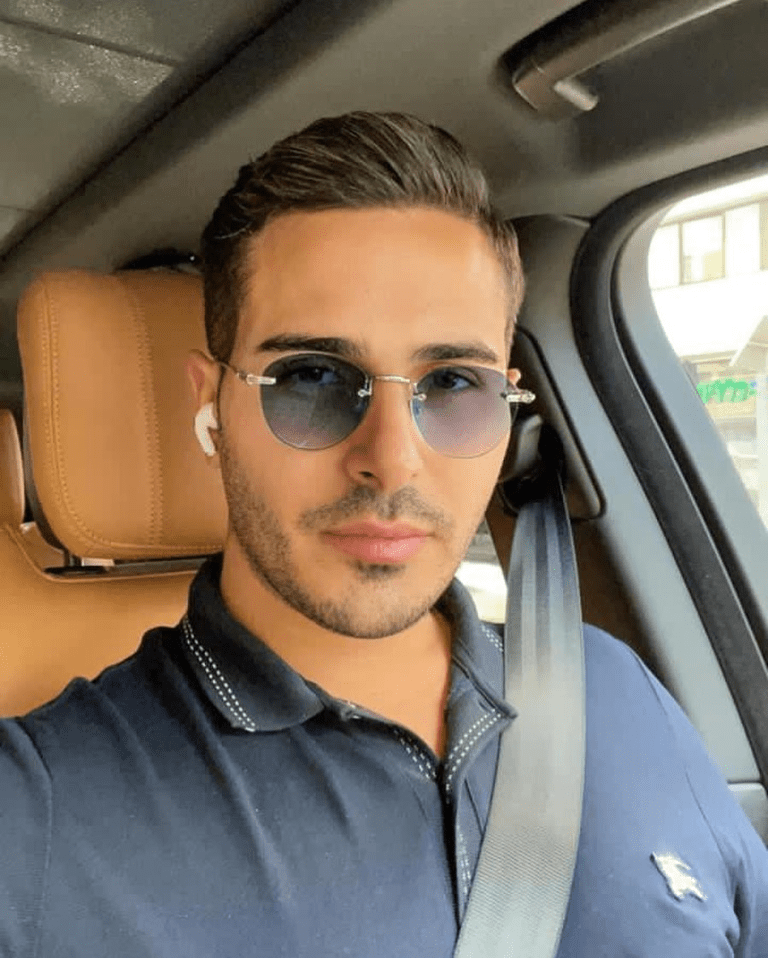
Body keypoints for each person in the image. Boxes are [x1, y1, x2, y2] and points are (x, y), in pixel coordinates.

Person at [1, 112, 767, 957]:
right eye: (312, 378)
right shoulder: (37, 816)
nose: (392, 461)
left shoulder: (612, 687)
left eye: (454, 383)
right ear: (210, 405)